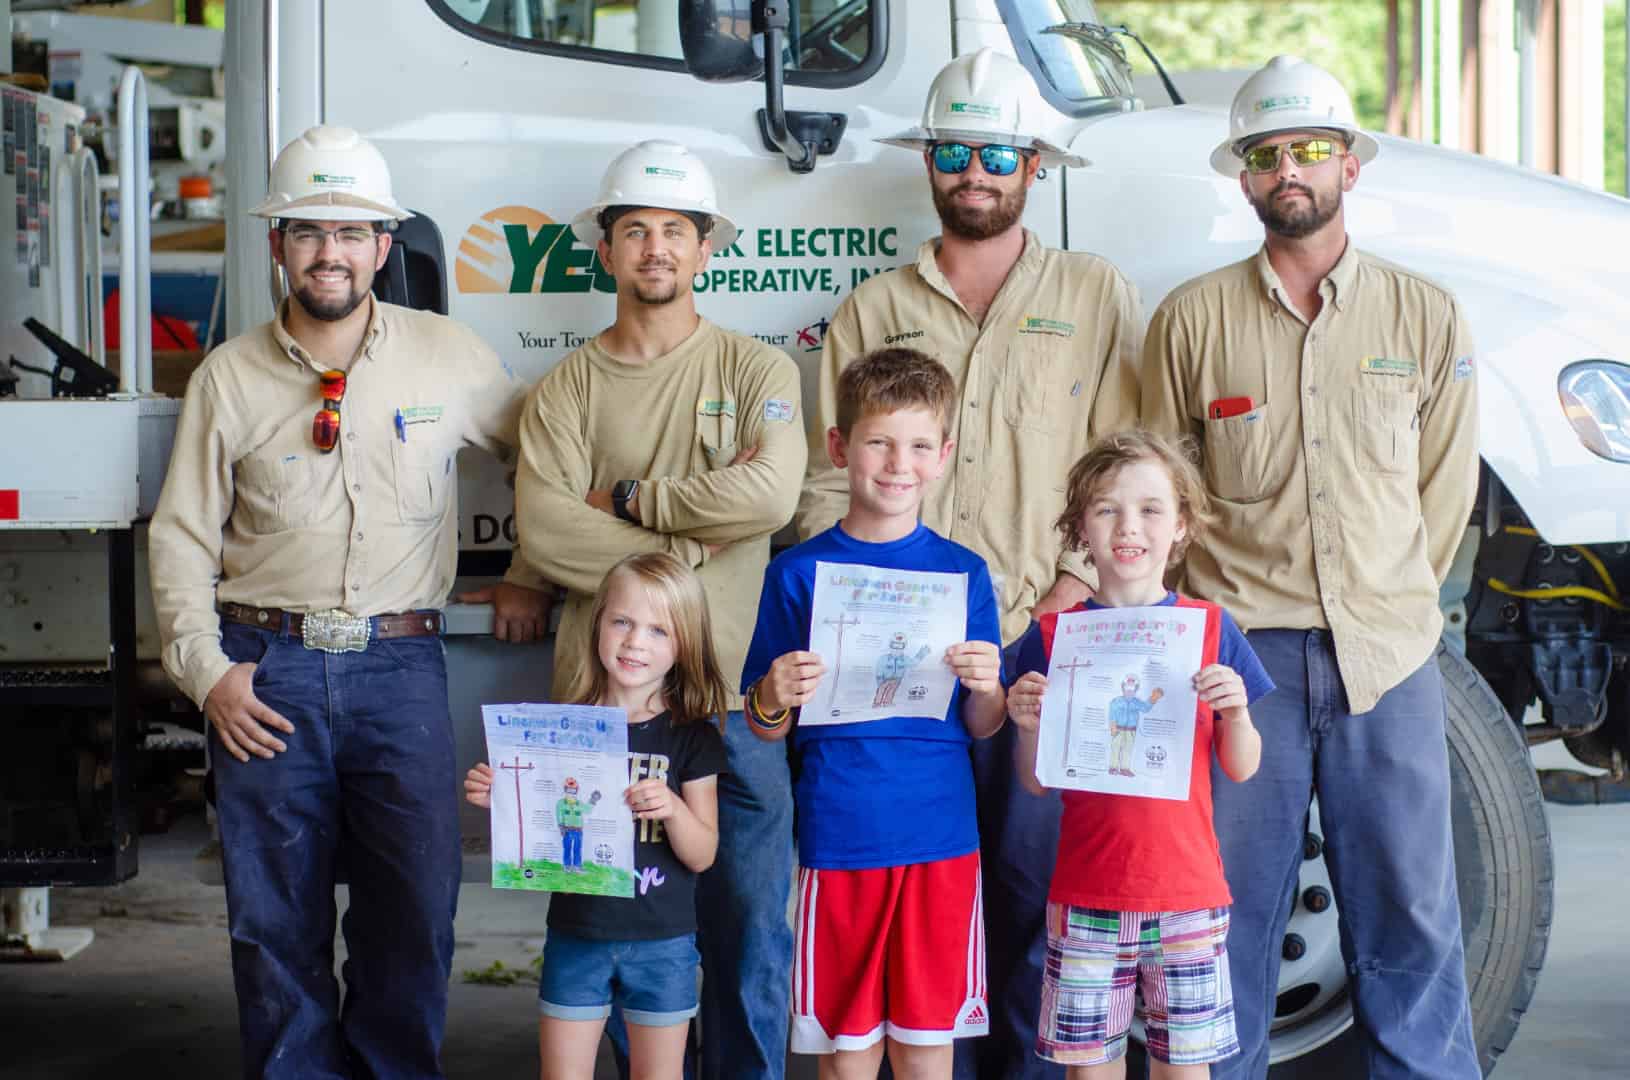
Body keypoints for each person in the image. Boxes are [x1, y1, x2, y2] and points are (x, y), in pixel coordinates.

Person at [148, 125, 549, 1078]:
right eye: (308, 231)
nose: (330, 252)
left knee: (412, 916)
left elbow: (549, 459)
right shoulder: (228, 378)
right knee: (272, 926)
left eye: (352, 232)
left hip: (399, 672)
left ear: (384, 246)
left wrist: (532, 566)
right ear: (279, 244)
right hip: (264, 675)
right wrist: (209, 675)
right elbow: (181, 538)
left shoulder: (449, 358)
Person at [796, 48, 1143, 1078]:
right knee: (917, 889)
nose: (975, 171)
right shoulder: (869, 307)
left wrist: (1075, 586)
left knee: (1040, 886)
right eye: (955, 151)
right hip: (906, 662)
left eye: (998, 152)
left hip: (1048, 632)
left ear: (1033, 164)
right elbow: (826, 484)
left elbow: (1131, 464)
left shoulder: (1097, 293)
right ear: (930, 163)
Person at [1141, 56, 1482, 1079]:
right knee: (1227, 911)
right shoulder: (1191, 321)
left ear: (1348, 165)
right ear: (1243, 177)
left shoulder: (1421, 317)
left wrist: (1389, 598)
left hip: (1385, 653)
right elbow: (1164, 494)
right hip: (1242, 664)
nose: (1289, 169)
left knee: (1411, 911)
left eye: (1309, 150)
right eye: (1267, 153)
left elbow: (1442, 490)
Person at [511, 139, 807, 1079]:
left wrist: (635, 505)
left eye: (675, 229)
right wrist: (685, 555)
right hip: (605, 709)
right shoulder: (564, 390)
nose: (655, 248)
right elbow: (548, 530)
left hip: (732, 701)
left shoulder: (761, 371)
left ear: (707, 245)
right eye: (634, 228)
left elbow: (769, 496)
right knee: (603, 925)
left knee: (753, 920)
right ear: (604, 247)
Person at [743, 347, 1005, 1079]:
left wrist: (986, 688)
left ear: (944, 456)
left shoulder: (963, 572)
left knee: (927, 1047)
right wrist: (772, 693)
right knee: (846, 1050)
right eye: (879, 442)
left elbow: (981, 727)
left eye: (921, 445)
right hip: (840, 836)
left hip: (941, 836)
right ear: (839, 447)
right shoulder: (797, 572)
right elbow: (765, 724)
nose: (899, 464)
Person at [1006, 430, 1273, 1079]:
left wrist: (1235, 711)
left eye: (1151, 509)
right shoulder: (1052, 637)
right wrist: (1027, 725)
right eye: (1106, 508)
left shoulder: (1211, 629)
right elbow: (1037, 784)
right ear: (1079, 527)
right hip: (1086, 893)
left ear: (1181, 525)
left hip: (1186, 896)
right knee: (1087, 1069)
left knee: (1184, 1070)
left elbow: (1243, 764)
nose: (1130, 526)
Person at [465, 553, 729, 1080]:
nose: (635, 642)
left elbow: (703, 854)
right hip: (576, 937)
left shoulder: (692, 737)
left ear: (685, 645)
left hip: (664, 945)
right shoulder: (561, 729)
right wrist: (503, 797)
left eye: (659, 630)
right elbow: (527, 846)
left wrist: (674, 808)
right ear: (597, 624)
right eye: (622, 622)